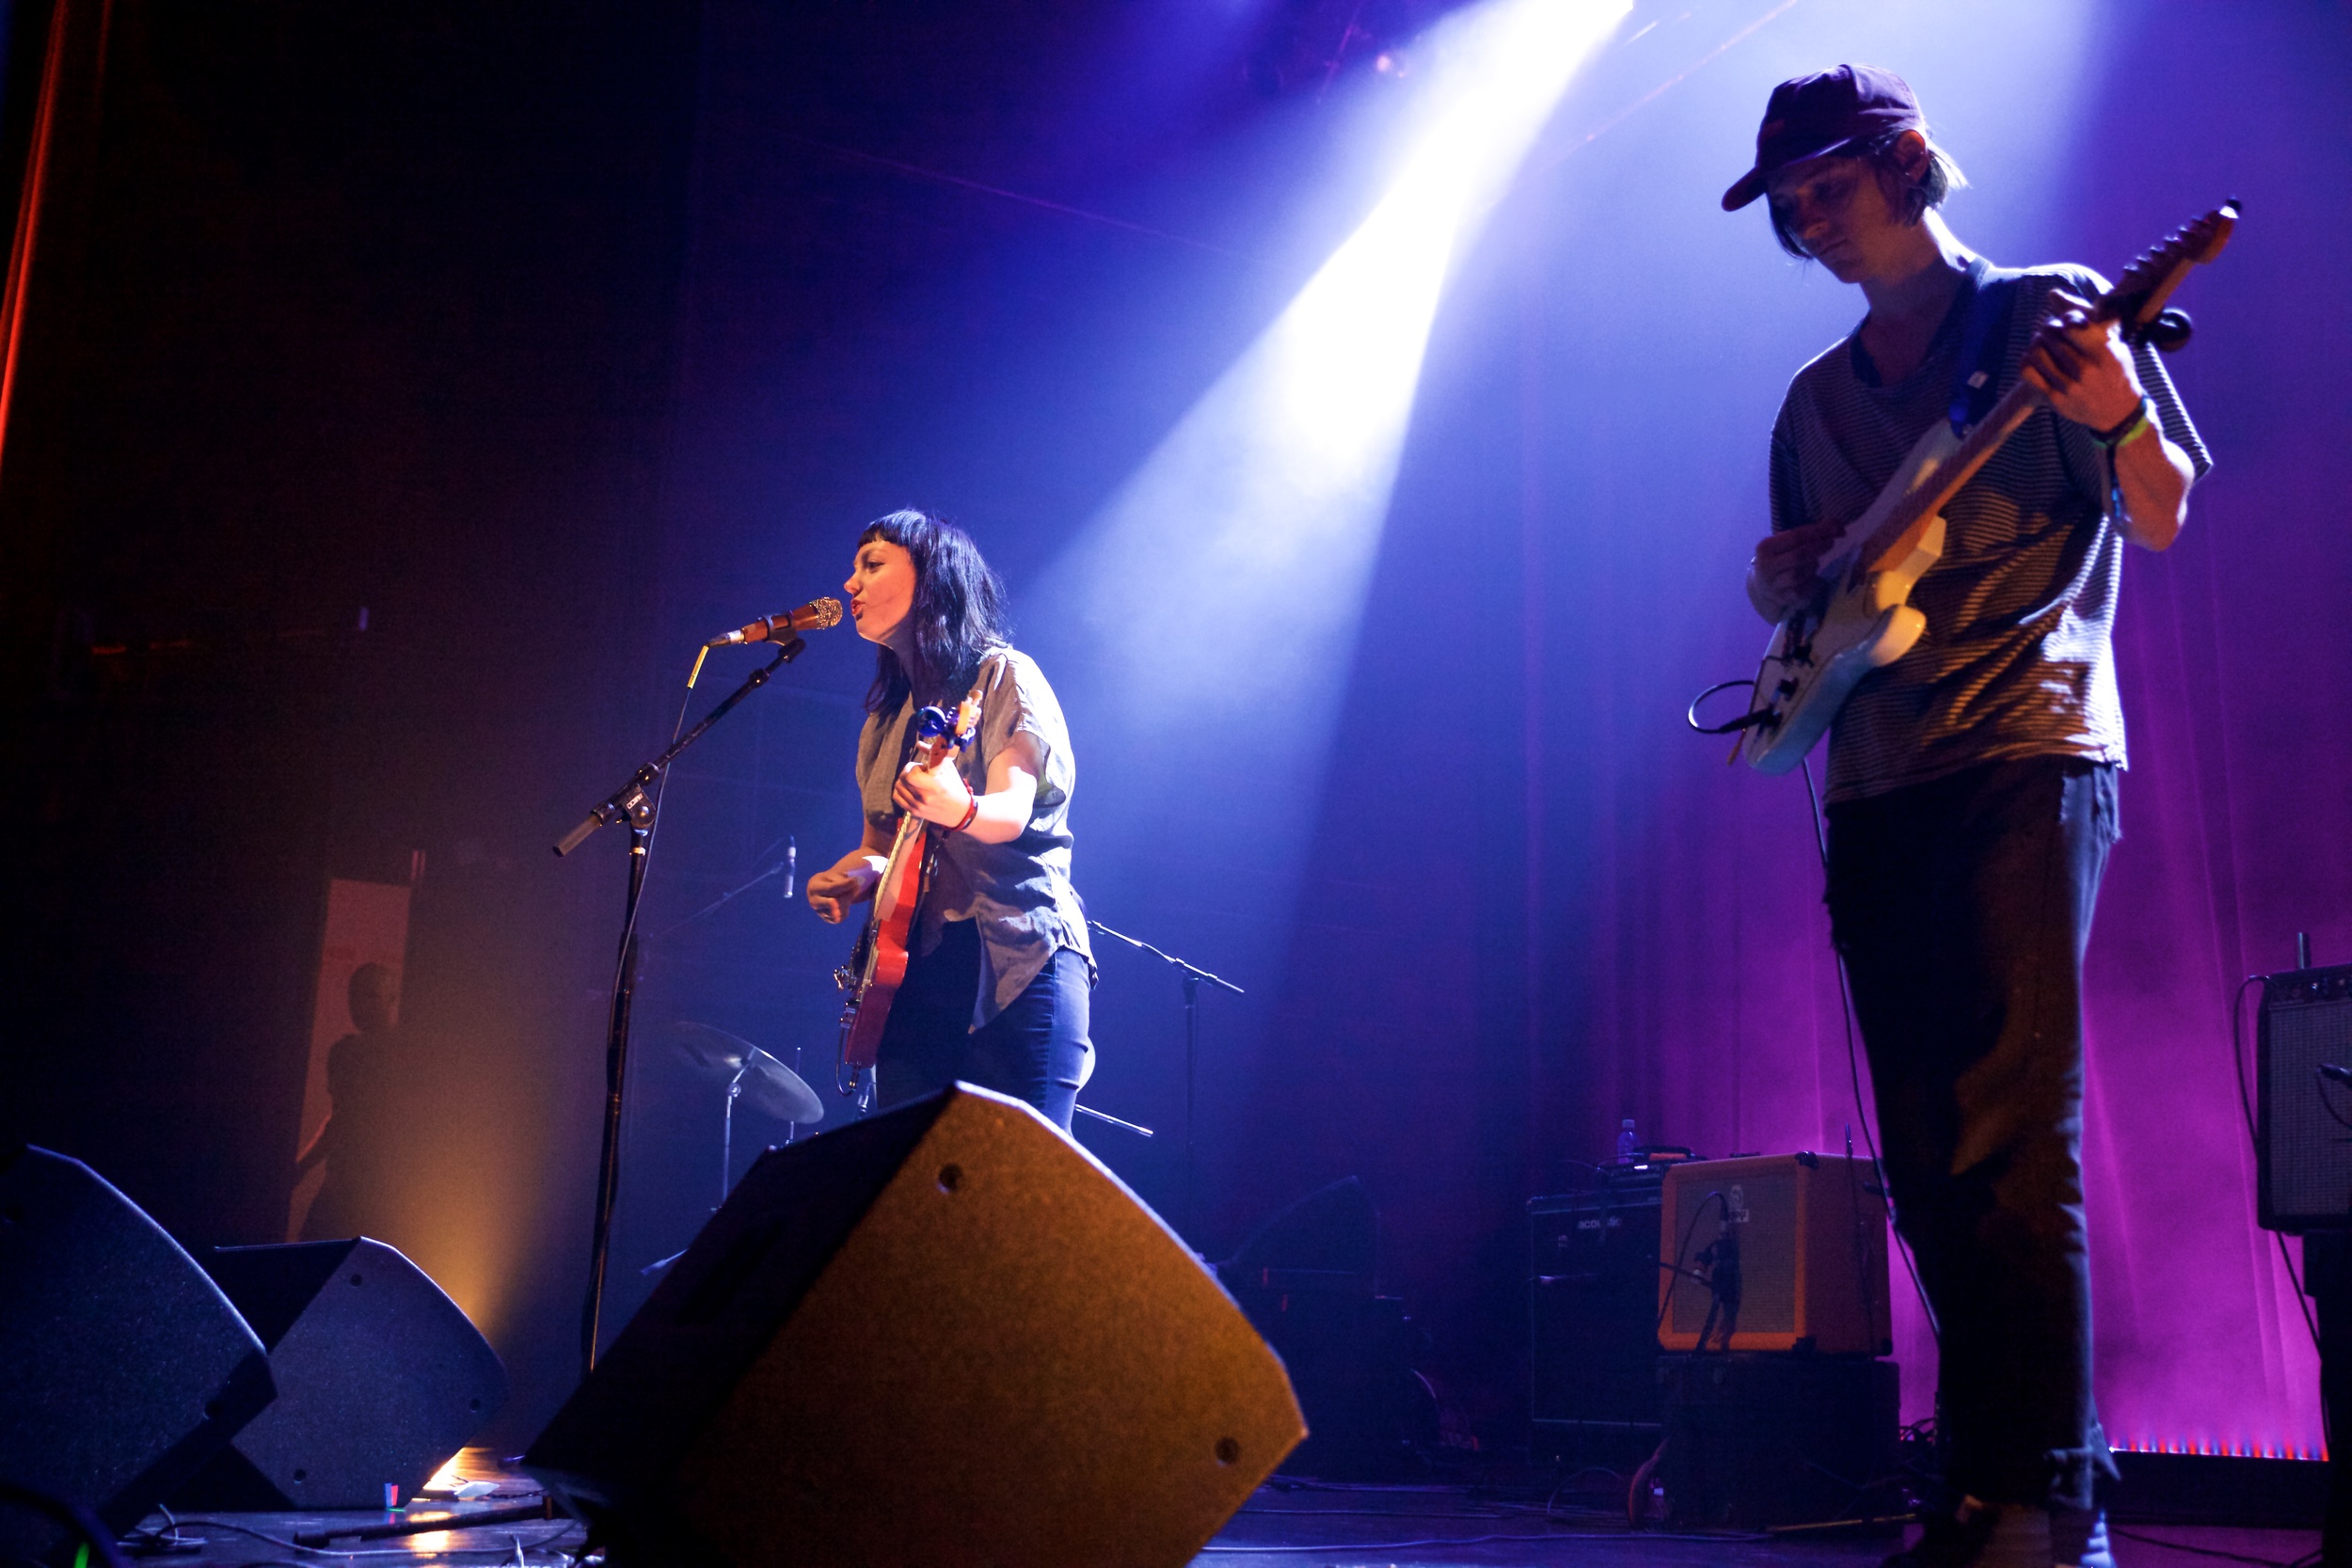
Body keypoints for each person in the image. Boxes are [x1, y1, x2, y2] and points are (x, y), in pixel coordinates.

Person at [1725, 67, 2209, 1568]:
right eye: (1790, 205)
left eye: (1831, 185)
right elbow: (1808, 598)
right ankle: (1991, 1477)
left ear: (1910, 162)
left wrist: (2120, 407)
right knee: (1931, 1153)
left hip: (2027, 749)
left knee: (2012, 1133)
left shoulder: (2050, 312)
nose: (1812, 219)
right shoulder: (1813, 402)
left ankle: (2052, 1502)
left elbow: (2167, 503)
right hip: (1877, 783)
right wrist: (1782, 580)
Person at [805, 510, 1095, 1132]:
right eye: (854, 568)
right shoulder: (883, 724)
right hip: (920, 972)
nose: (850, 584)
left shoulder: (1002, 675)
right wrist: (849, 877)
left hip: (1016, 953)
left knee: (1018, 1184)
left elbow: (1011, 811)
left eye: (872, 564)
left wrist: (959, 805)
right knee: (918, 1190)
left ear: (932, 578)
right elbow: (884, 851)